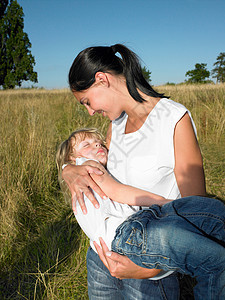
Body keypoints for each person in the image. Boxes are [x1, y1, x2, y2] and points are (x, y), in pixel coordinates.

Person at [62, 44, 206, 299]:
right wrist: (69, 169)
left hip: (150, 273)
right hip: (101, 261)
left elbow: (196, 212)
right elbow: (96, 171)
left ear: (102, 79)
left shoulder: (173, 119)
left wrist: (149, 270)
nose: (90, 111)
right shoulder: (115, 125)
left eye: (86, 101)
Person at [57, 129, 225, 300]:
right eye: (87, 145)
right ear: (72, 158)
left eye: (99, 143)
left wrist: (66, 167)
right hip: (129, 235)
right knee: (214, 251)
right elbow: (118, 191)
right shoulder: (86, 166)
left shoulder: (85, 169)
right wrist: (164, 202)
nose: (97, 146)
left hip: (113, 244)